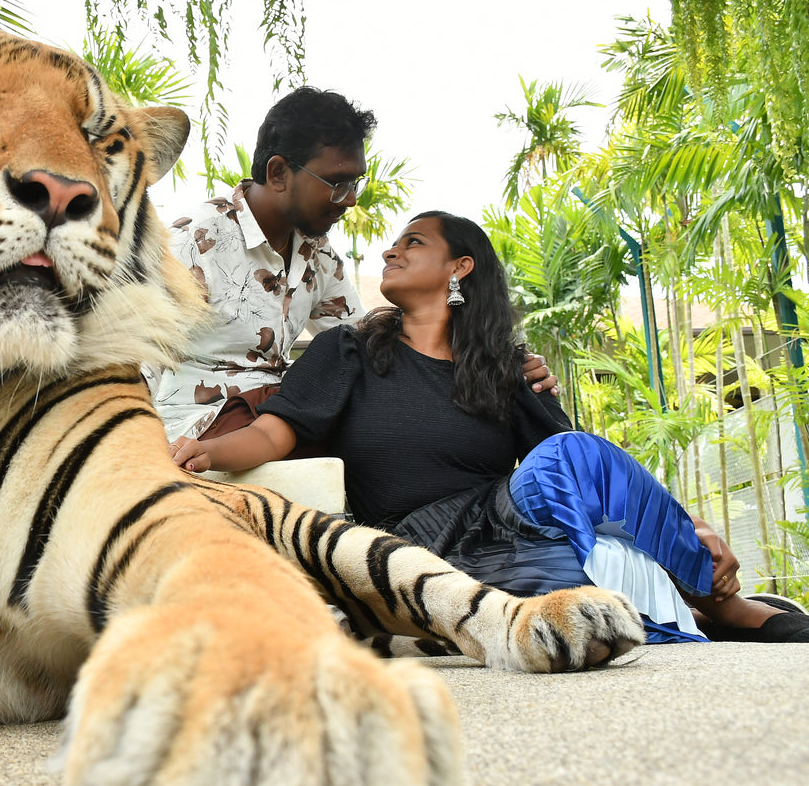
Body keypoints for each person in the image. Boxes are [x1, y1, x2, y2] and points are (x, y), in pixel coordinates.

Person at [170, 210, 809, 644]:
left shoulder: (503, 370)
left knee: (570, 456)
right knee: (591, 613)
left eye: (413, 243)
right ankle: (699, 623)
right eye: (394, 243)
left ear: (460, 269)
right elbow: (275, 434)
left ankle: (716, 600)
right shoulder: (349, 350)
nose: (392, 250)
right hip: (414, 546)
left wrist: (687, 529)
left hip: (505, 517)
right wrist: (206, 450)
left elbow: (581, 473)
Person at [148, 87, 559, 443]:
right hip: (197, 428)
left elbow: (371, 346)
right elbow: (138, 360)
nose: (350, 200)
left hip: (279, 416)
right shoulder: (193, 243)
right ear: (278, 173)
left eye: (355, 183)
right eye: (338, 183)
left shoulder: (318, 255)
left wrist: (500, 367)